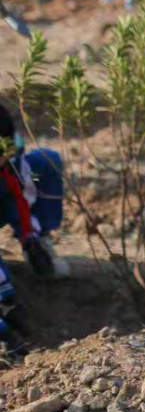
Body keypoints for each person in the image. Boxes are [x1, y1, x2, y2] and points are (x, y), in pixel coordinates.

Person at [0, 104, 67, 359]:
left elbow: (18, 193)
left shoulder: (9, 151)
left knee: (44, 163)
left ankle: (42, 246)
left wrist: (30, 238)